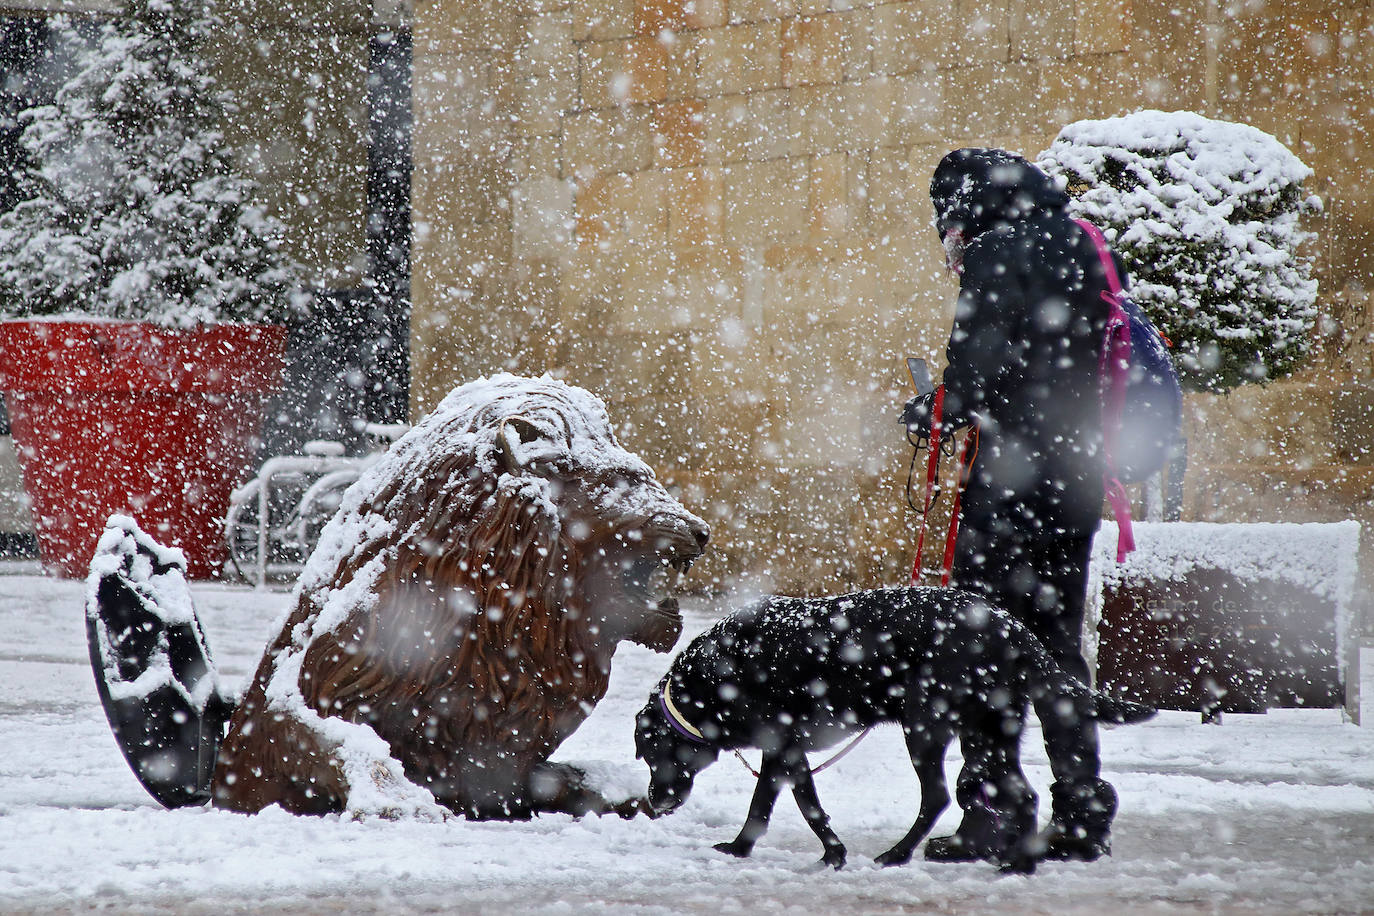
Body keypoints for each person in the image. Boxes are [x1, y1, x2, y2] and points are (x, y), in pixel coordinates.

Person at [901, 147, 1119, 863]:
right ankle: (1082, 811)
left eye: (946, 224)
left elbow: (974, 379)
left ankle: (994, 808)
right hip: (1079, 481)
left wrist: (928, 409)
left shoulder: (997, 251)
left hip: (1011, 487)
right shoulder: (1081, 241)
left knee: (982, 646)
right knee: (1055, 647)